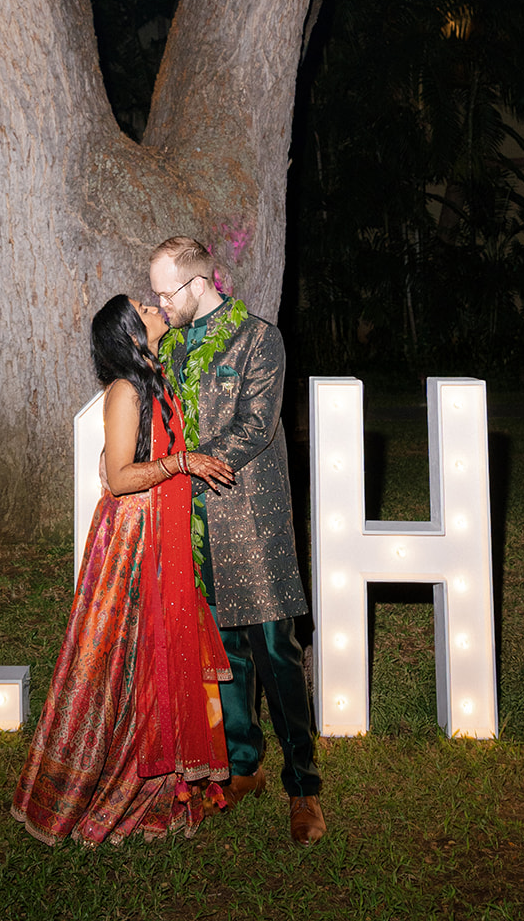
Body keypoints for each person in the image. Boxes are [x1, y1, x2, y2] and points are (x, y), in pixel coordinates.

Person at [12, 295, 236, 846]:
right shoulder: (125, 390)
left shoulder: (155, 380)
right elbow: (117, 478)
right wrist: (181, 463)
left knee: (154, 658)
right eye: (142, 306)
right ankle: (87, 784)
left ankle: (156, 779)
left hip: (160, 532)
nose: (153, 305)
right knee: (115, 659)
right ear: (131, 332)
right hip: (131, 541)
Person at [149, 236, 326, 846]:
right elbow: (156, 417)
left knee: (277, 651)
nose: (160, 304)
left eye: (165, 293)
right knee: (222, 650)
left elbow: (256, 424)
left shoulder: (259, 338)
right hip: (193, 524)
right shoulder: (169, 347)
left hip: (251, 521)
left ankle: (303, 787)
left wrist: (186, 462)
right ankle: (243, 763)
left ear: (198, 285)